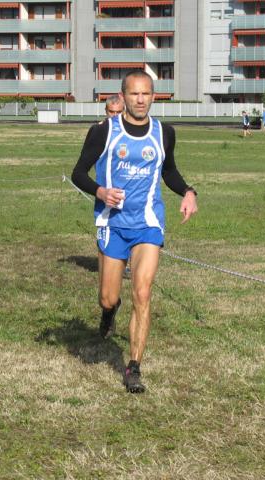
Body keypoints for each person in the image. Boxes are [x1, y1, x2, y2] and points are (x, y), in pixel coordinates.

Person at [71, 70, 198, 394]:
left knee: (142, 293)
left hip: (148, 223)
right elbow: (78, 173)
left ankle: (133, 367)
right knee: (109, 296)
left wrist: (188, 191)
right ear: (123, 96)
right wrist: (100, 192)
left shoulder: (164, 132)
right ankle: (108, 313)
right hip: (113, 223)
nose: (140, 99)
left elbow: (168, 171)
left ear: (154, 96)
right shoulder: (104, 132)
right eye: (134, 94)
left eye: (146, 94)